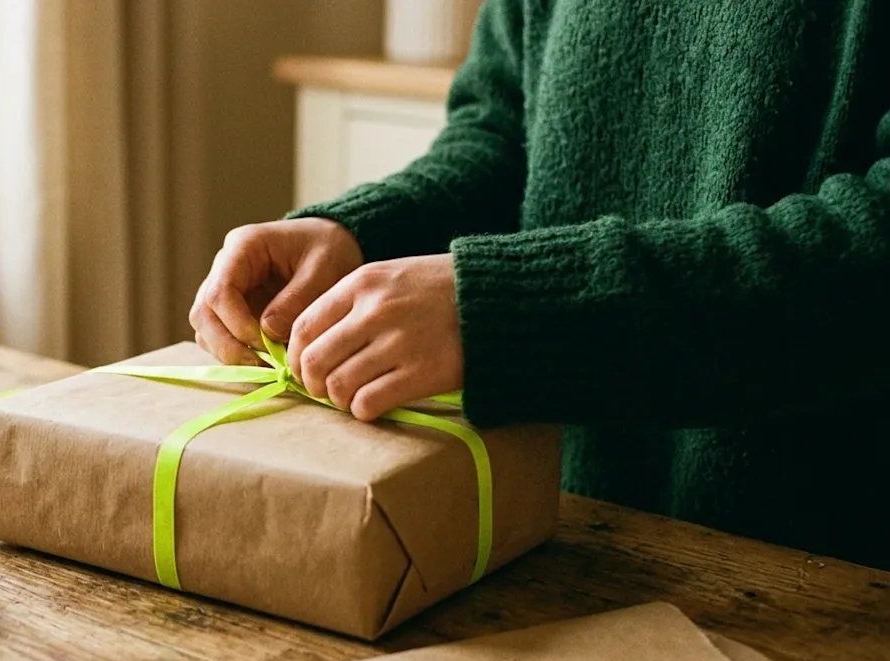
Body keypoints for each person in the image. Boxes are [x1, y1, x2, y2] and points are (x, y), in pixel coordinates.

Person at [189, 0, 890, 571]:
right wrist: (356, 234)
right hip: (561, 538)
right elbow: (500, 133)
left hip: (825, 576)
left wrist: (507, 309)